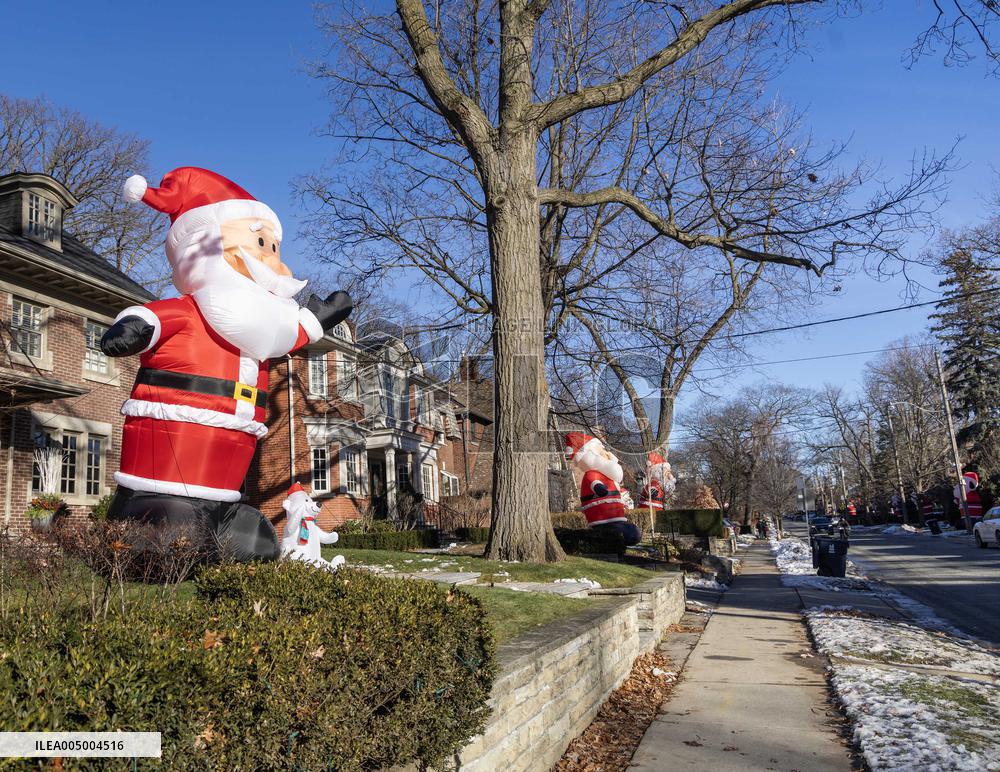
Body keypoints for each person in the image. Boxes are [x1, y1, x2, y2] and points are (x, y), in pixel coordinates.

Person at [101, 167, 353, 561]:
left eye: (273, 249)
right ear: (208, 245)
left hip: (228, 467)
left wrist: (314, 321)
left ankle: (225, 524)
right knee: (171, 526)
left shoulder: (260, 334)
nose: (273, 263)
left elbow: (278, 330)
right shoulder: (190, 313)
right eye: (260, 243)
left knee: (244, 536)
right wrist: (135, 327)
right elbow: (153, 319)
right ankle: (151, 526)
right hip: (170, 452)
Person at [564, 432, 641, 546]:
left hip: (617, 517)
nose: (607, 453)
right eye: (602, 451)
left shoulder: (609, 476)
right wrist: (599, 488)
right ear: (592, 456)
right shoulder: (592, 474)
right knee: (624, 534)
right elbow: (595, 484)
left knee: (633, 532)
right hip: (601, 519)